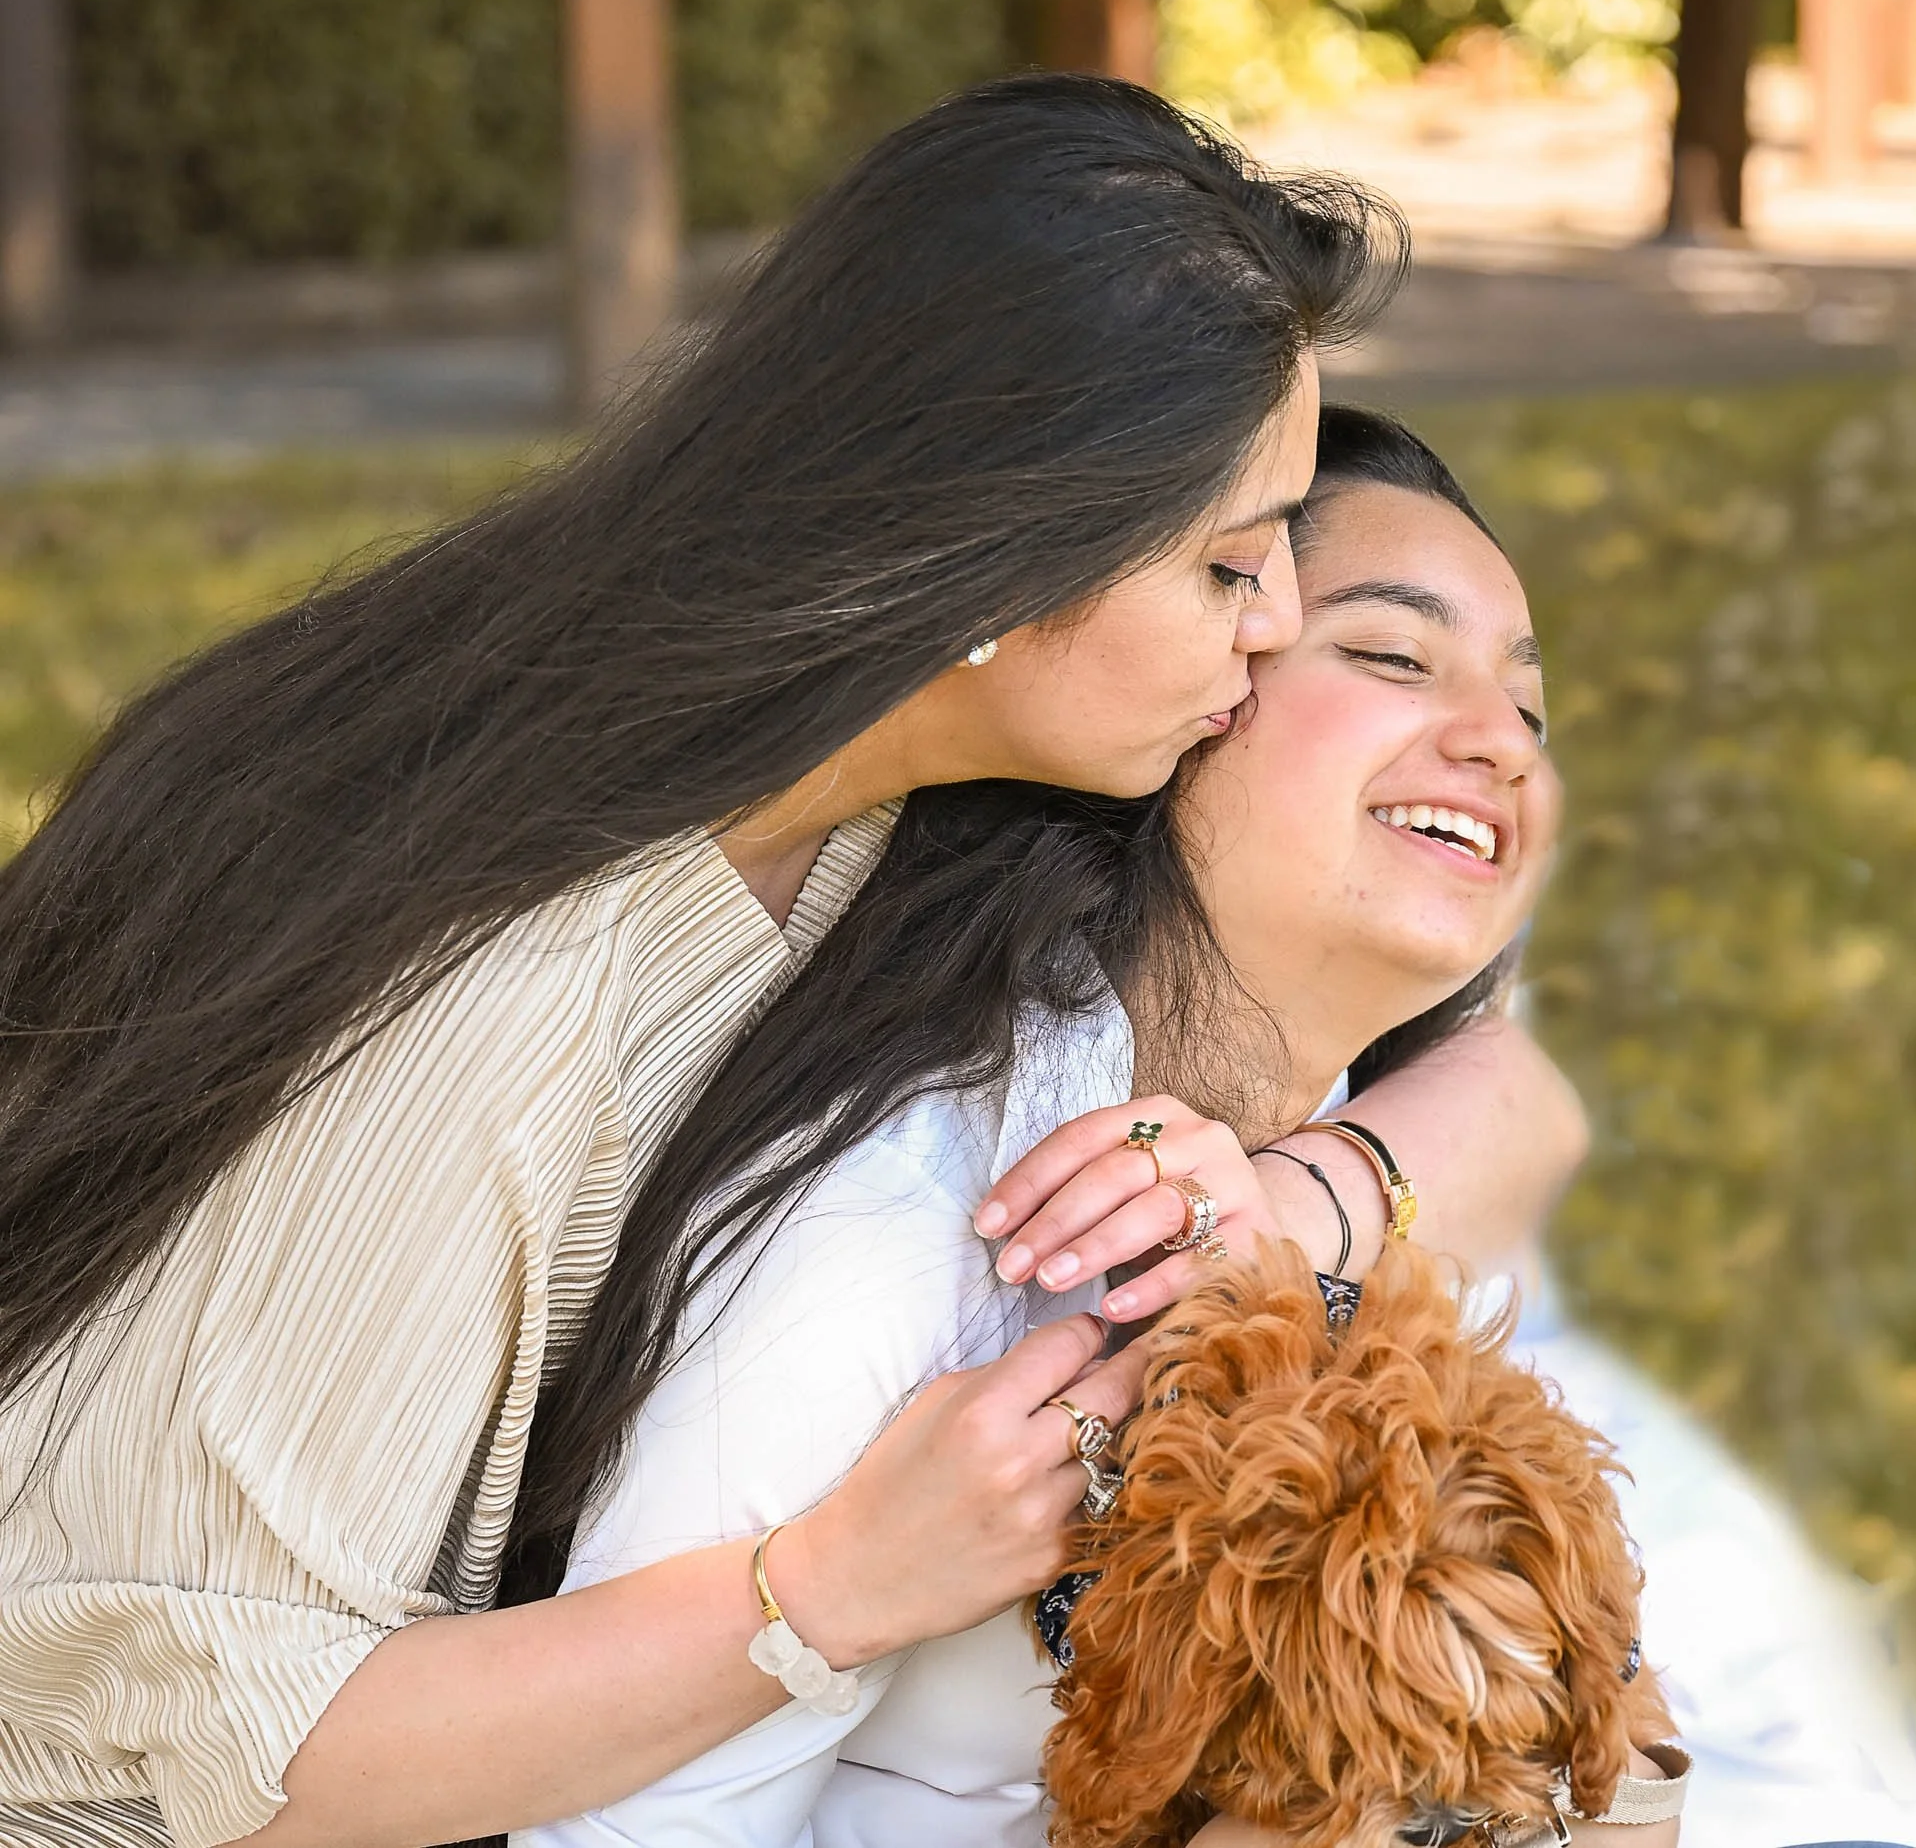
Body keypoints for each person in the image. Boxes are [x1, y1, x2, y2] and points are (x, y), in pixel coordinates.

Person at [0, 80, 1522, 1848]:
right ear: (1005, 548)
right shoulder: (504, 977)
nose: (1274, 627)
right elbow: (225, 1758)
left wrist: (1308, 1188)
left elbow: (1497, 1047)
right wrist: (831, 1586)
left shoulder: (889, 804)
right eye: (1231, 564)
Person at [515, 402, 1690, 1847]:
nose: (1502, 745)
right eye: (1392, 654)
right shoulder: (898, 1228)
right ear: (1202, 684)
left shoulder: (1384, 1215)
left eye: (1530, 710)